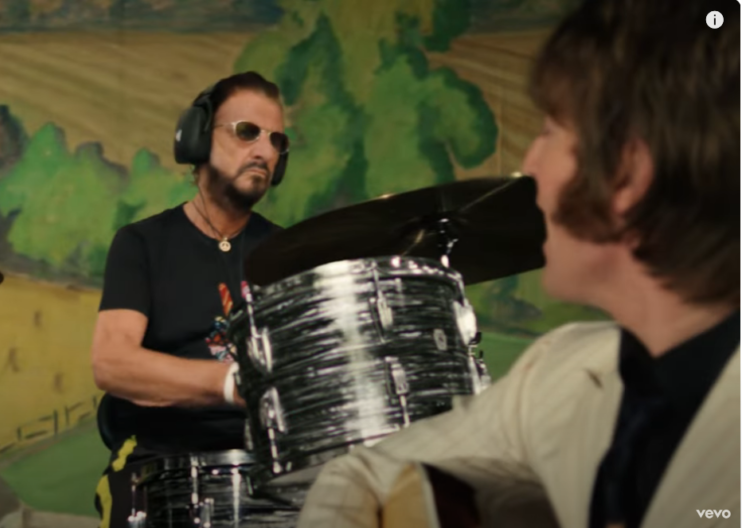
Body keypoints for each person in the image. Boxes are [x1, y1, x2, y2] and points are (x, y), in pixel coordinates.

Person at [296, 1, 739, 527]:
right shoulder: (558, 373)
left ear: (627, 173)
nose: (529, 163)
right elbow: (362, 471)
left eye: (550, 130)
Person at [90, 71, 289, 528]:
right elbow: (112, 364)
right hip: (157, 465)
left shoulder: (291, 253)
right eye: (247, 132)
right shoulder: (142, 243)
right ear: (197, 138)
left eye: (276, 140)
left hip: (270, 464)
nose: (264, 150)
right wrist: (231, 383)